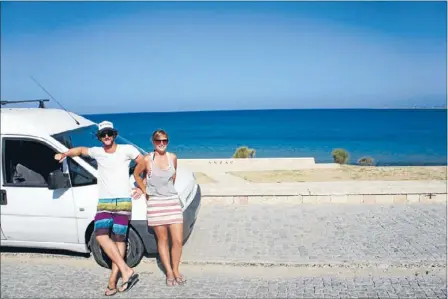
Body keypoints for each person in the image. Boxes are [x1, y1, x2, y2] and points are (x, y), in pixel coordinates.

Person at [54, 121, 142, 296]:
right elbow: (79, 150)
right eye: (103, 134)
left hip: (123, 201)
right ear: (99, 137)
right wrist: (65, 153)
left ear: (114, 134)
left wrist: (141, 186)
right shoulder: (97, 152)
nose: (107, 137)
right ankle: (126, 271)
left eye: (109, 133)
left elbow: (144, 163)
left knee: (119, 240)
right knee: (101, 236)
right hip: (104, 202)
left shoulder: (127, 150)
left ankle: (113, 281)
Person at [133, 129, 186, 286]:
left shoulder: (173, 158)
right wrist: (144, 190)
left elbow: (173, 177)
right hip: (155, 203)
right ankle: (169, 272)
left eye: (165, 141)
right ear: (153, 142)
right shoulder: (147, 159)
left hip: (171, 201)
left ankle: (176, 269)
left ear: (167, 142)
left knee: (177, 240)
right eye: (158, 141)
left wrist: (166, 190)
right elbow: (137, 175)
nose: (162, 143)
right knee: (162, 239)